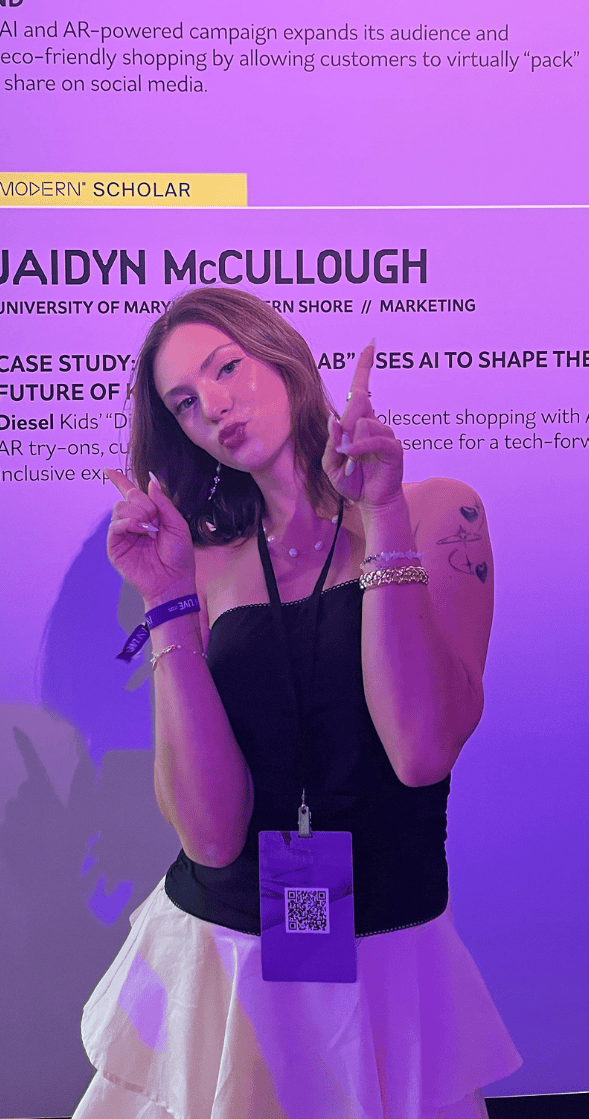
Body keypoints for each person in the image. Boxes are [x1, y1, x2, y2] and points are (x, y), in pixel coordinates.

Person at [73, 287, 521, 1119]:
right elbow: (208, 835)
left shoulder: (434, 510)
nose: (212, 404)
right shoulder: (203, 564)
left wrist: (379, 513)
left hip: (392, 948)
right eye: (184, 401)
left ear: (281, 356)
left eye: (226, 367)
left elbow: (420, 750)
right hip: (226, 948)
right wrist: (167, 603)